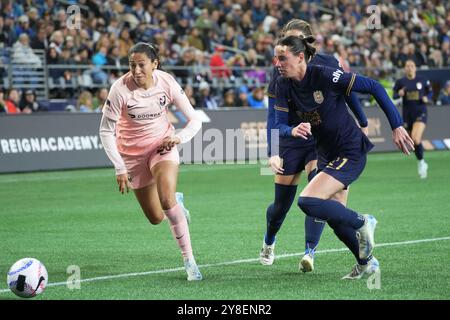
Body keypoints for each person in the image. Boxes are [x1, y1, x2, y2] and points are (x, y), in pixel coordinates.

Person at [273, 35, 414, 279]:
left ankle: (363, 221)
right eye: (276, 58)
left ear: (300, 57)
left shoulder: (324, 75)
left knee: (307, 201)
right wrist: (292, 130)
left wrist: (396, 124)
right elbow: (279, 124)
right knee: (334, 217)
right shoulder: (283, 84)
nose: (277, 63)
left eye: (282, 58)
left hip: (350, 150)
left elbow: (374, 87)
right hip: (326, 153)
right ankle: (367, 263)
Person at [261, 19, 369, 274]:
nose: (290, 45)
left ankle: (310, 251)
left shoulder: (329, 64)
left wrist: (362, 121)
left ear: (307, 44)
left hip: (317, 139)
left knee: (317, 193)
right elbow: (272, 117)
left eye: (296, 39)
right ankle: (269, 240)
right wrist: (273, 151)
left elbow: (348, 92)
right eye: (287, 39)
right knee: (281, 206)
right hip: (289, 139)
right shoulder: (280, 73)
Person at [99, 42, 203, 281]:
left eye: (141, 65)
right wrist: (119, 166)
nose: (136, 70)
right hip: (132, 157)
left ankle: (189, 262)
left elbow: (195, 121)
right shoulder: (119, 89)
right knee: (156, 217)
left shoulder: (166, 82)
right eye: (132, 65)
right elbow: (106, 131)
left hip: (161, 147)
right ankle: (176, 203)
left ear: (154, 64)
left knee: (165, 199)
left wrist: (177, 138)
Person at [393, 60, 432, 179]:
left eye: (412, 66)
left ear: (415, 68)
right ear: (405, 69)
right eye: (407, 66)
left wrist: (427, 98)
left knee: (416, 137)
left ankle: (421, 164)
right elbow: (394, 95)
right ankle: (422, 162)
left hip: (421, 112)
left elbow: (430, 93)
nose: (410, 68)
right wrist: (398, 94)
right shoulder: (401, 82)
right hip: (407, 115)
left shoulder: (422, 80)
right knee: (413, 141)